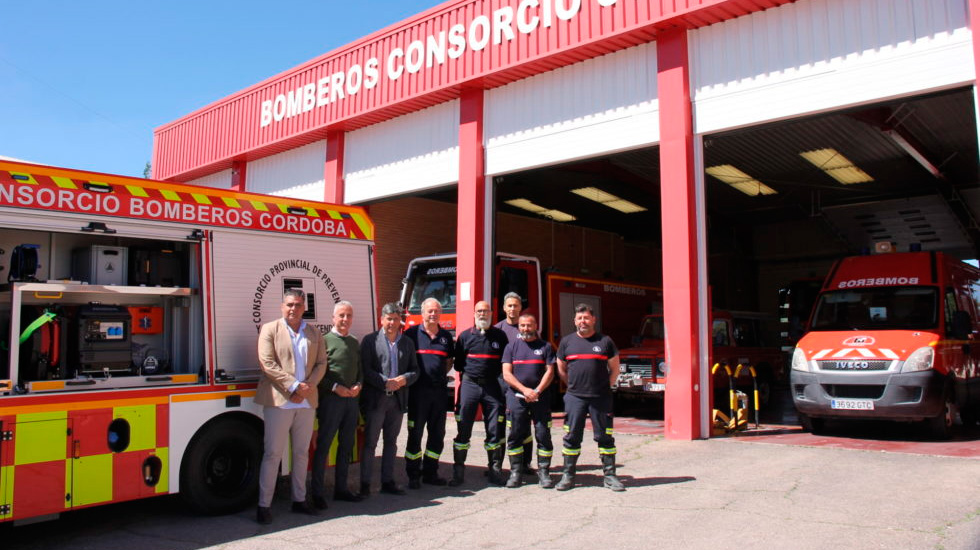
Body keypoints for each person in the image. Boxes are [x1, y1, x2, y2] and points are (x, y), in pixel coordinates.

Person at [255, 289, 327, 524]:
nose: (293, 309)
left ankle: (299, 500)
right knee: (273, 454)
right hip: (279, 401)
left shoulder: (314, 332)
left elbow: (321, 363)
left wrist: (307, 387)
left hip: (306, 402)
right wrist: (295, 386)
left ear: (304, 307)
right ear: (281, 306)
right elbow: (267, 364)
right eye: (289, 304)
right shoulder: (270, 329)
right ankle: (264, 505)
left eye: (297, 304)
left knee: (301, 453)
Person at [555, 303, 625, 492]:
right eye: (579, 318)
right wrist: (572, 385)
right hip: (574, 398)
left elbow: (615, 369)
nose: (583, 321)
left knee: (605, 437)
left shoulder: (605, 342)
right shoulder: (567, 342)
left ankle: (610, 476)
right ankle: (568, 476)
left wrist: (604, 388)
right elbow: (561, 367)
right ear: (574, 321)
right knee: (571, 437)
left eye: (586, 318)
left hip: (600, 398)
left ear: (594, 320)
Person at [359, 302, 419, 497]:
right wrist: (384, 382)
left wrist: (404, 379)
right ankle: (365, 483)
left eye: (395, 319)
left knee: (391, 442)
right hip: (377, 399)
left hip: (397, 400)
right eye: (388, 319)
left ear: (399, 321)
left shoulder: (407, 343)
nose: (392, 323)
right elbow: (365, 370)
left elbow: (415, 370)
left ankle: (387, 481)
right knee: (370, 443)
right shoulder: (370, 341)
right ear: (381, 320)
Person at [450, 300, 510, 486]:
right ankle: (458, 471)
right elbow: (458, 364)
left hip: (492, 387)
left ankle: (494, 470)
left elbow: (504, 364)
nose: (483, 314)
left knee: (494, 429)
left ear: (491, 313)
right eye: (479, 311)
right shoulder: (465, 336)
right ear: (474, 313)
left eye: (486, 311)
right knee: (463, 428)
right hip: (470, 386)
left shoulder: (500, 336)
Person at [311, 300, 363, 509]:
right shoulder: (324, 341)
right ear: (333, 318)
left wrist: (359, 384)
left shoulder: (353, 342)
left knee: (346, 446)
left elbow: (360, 370)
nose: (345, 319)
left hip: (351, 401)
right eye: (341, 315)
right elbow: (317, 374)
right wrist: (335, 388)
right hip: (331, 402)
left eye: (348, 316)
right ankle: (317, 493)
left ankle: (341, 489)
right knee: (323, 447)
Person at [403, 298, 455, 488]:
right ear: (422, 313)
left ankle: (431, 472)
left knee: (437, 434)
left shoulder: (446, 337)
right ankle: (413, 474)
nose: (433, 314)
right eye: (429, 311)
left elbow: (448, 361)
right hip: (418, 393)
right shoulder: (411, 334)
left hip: (439, 393)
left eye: (436, 311)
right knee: (415, 433)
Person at [501, 313, 556, 488]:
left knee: (543, 435)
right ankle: (516, 472)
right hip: (517, 398)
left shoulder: (546, 347)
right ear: (519, 328)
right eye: (522, 325)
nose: (526, 328)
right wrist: (525, 390)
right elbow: (506, 374)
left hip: (540, 398)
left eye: (529, 325)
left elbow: (550, 372)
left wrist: (537, 391)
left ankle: (544, 473)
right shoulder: (511, 347)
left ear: (535, 326)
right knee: (515, 435)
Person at [494, 291, 535, 475]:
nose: (512, 309)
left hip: (522, 387)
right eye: (509, 305)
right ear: (504, 308)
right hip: (501, 385)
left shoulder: (527, 328)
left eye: (516, 305)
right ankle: (497, 465)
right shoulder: (496, 330)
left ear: (521, 308)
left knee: (522, 425)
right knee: (499, 426)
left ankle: (525, 464)